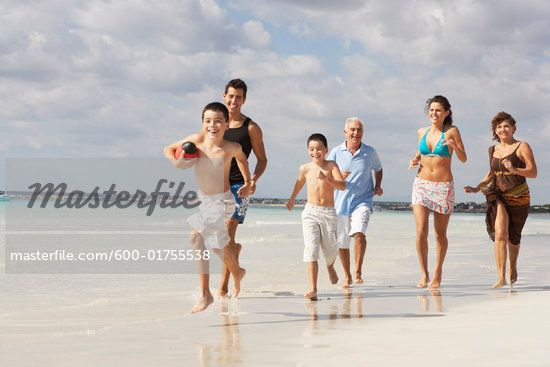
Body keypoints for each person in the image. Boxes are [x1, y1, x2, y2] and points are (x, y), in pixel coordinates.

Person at [163, 102, 251, 313]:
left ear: (227, 125)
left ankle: (205, 294)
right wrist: (177, 163)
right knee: (219, 246)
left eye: (218, 121)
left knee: (196, 238)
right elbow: (168, 149)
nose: (212, 125)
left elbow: (242, 160)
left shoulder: (231, 148)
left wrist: (248, 183)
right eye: (208, 121)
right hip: (206, 201)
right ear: (203, 123)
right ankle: (237, 272)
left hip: (224, 201)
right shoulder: (195, 141)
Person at [464, 112, 537, 288]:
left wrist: (515, 169)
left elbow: (533, 172)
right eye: (498, 127)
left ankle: (513, 266)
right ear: (495, 131)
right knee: (501, 233)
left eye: (505, 126)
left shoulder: (522, 146)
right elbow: (491, 174)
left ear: (513, 128)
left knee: (514, 236)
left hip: (519, 195)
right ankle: (500, 277)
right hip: (498, 195)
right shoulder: (492, 150)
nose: (502, 129)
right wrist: (477, 188)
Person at [409, 95, 467, 289]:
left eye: (438, 110)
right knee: (420, 231)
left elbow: (463, 157)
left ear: (446, 113)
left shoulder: (452, 131)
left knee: (439, 235)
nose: (434, 113)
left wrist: (454, 146)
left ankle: (438, 271)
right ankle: (424, 273)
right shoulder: (421, 132)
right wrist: (414, 160)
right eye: (432, 110)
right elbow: (420, 153)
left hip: (443, 186)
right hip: (421, 185)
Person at [219, 79, 268, 298]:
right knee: (223, 239)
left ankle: (223, 287)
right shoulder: (216, 124)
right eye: (231, 96)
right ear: (224, 96)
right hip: (218, 185)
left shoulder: (251, 128)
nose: (234, 100)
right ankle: (236, 256)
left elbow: (262, 160)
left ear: (244, 100)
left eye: (239, 97)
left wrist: (252, 181)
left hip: (241, 186)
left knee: (229, 230)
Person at [287, 133, 346, 300]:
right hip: (310, 212)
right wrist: (292, 199)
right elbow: (299, 183)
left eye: (319, 149)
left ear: (326, 150)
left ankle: (330, 266)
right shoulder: (304, 168)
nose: (315, 152)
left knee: (331, 248)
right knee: (311, 250)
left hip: (328, 212)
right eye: (312, 149)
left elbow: (342, 186)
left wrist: (327, 179)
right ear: (308, 151)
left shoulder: (331, 166)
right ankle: (313, 289)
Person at [327, 118, 383, 288]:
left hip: (363, 201)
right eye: (352, 130)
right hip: (340, 204)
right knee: (342, 243)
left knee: (359, 233)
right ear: (345, 132)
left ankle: (358, 272)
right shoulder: (336, 153)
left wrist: (378, 185)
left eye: (359, 130)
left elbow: (378, 169)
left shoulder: (370, 152)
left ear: (362, 132)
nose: (355, 133)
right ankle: (347, 276)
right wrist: (338, 177)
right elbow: (325, 175)